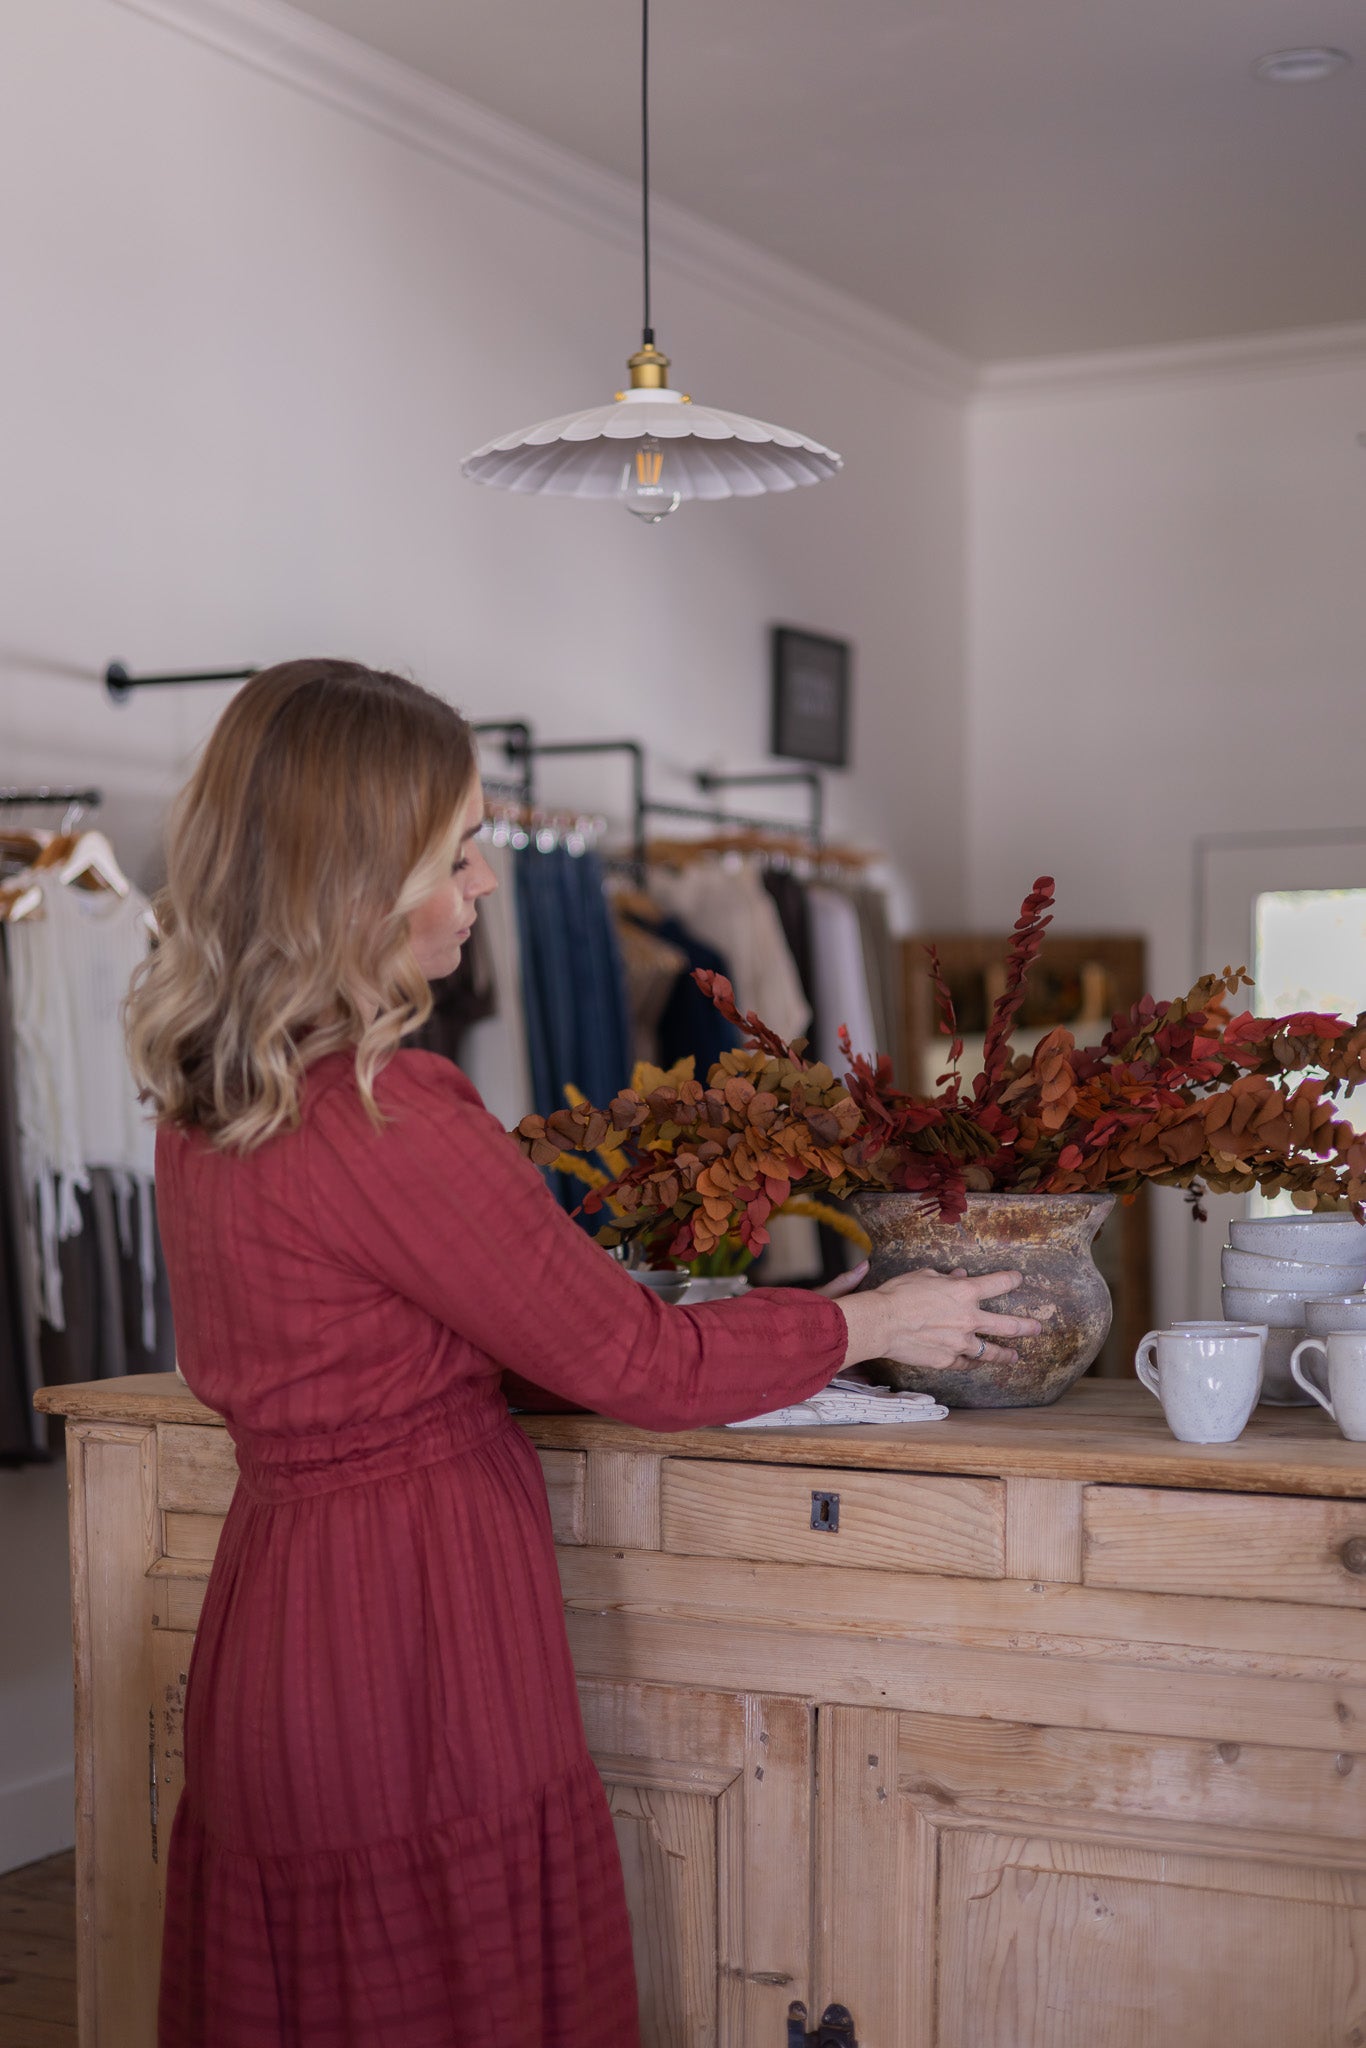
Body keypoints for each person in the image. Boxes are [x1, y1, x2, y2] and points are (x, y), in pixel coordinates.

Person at [126, 659, 1039, 2048]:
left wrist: (776, 1328)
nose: (489, 882)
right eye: (460, 849)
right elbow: (634, 1364)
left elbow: (492, 1334)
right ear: (354, 878)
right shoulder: (388, 1107)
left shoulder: (215, 1102)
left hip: (284, 1613)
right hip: (413, 1621)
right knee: (454, 1979)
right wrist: (869, 1321)